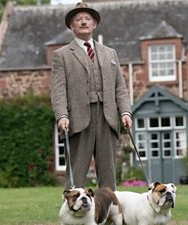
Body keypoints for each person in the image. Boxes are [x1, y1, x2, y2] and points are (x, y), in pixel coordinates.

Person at [51, 2, 132, 191]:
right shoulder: (61, 55)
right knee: (75, 177)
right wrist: (62, 115)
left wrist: (126, 112)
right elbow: (58, 89)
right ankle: (72, 216)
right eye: (78, 19)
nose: (83, 22)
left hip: (108, 118)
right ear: (71, 26)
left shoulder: (110, 53)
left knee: (109, 177)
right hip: (78, 120)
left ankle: (109, 215)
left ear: (95, 24)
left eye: (87, 19)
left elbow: (120, 88)